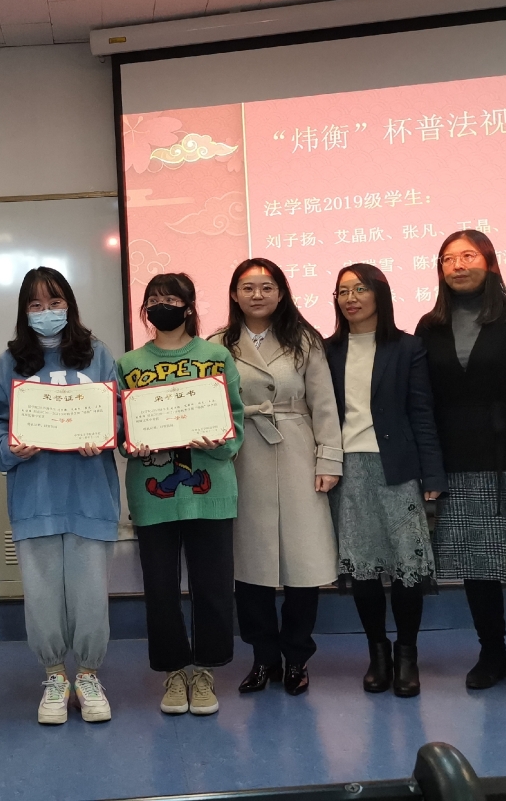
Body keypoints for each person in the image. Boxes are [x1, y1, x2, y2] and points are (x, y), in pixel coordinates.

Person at [415, 230, 506, 701]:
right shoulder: (429, 324)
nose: (458, 265)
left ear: (490, 262)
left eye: (468, 256)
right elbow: (423, 398)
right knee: (475, 562)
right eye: (448, 258)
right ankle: (492, 655)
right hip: (458, 455)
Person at [0, 268, 120, 726]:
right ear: (25, 312)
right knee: (41, 596)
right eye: (36, 305)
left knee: (90, 595)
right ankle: (54, 677)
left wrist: (102, 434)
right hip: (35, 497)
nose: (47, 312)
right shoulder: (10, 362)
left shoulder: (98, 354)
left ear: (70, 306)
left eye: (55, 302)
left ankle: (88, 675)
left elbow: (119, 415)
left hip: (89, 495)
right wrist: (12, 448)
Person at [209, 259, 340, 697]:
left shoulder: (305, 340)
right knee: (251, 566)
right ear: (234, 294)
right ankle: (263, 657)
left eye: (267, 287)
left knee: (304, 564)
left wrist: (329, 461)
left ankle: (297, 657)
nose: (258, 295)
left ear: (281, 293)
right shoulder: (218, 344)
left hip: (298, 450)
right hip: (241, 457)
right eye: (248, 287)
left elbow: (324, 404)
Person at [119, 272, 243, 716]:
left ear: (189, 307)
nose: (162, 305)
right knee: (160, 589)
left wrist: (220, 441)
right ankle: (173, 672)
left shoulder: (216, 356)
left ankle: (206, 671)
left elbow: (236, 418)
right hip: (153, 495)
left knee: (213, 587)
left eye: (171, 299)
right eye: (154, 298)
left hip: (211, 490)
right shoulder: (128, 363)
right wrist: (132, 443)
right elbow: (121, 426)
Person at [323, 264, 446, 697]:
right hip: (347, 469)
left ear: (380, 294)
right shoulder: (327, 350)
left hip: (396, 467)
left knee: (407, 567)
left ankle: (407, 653)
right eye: (343, 291)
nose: (350, 298)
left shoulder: (407, 347)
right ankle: (377, 652)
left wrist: (432, 471)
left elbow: (422, 412)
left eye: (360, 289)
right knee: (364, 568)